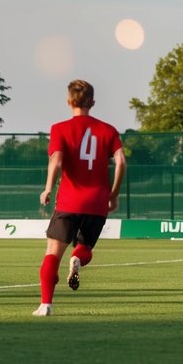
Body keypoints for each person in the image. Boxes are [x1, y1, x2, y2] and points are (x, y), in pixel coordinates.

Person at [34, 80, 126, 316]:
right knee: (84, 247)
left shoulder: (60, 128)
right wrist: (113, 194)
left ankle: (46, 305)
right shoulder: (108, 130)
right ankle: (77, 259)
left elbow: (56, 160)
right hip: (97, 203)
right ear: (92, 102)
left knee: (52, 254)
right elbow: (121, 162)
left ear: (68, 101)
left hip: (69, 202)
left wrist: (47, 188)